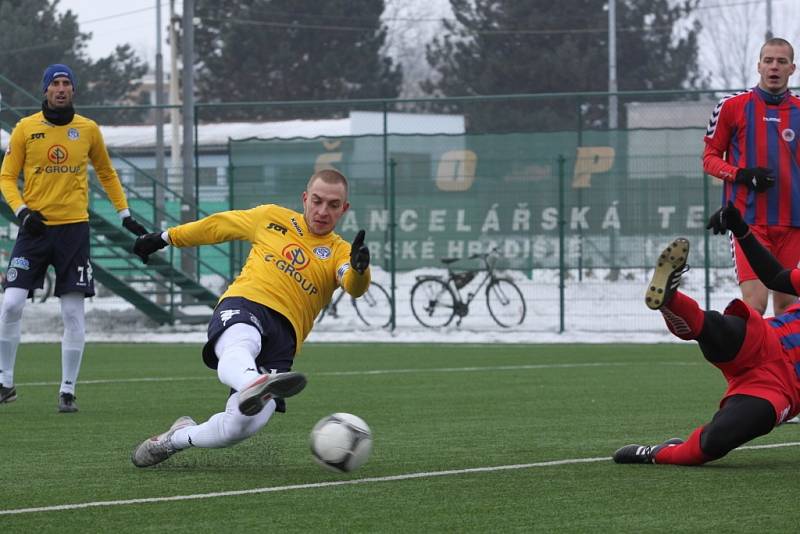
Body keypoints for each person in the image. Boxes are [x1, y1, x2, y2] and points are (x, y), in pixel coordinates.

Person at [129, 168, 371, 468]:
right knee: (241, 342)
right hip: (246, 304)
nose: (323, 211)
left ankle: (175, 438)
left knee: (237, 428)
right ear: (305, 198)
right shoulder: (271, 217)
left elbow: (352, 284)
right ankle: (253, 382)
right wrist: (165, 237)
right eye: (317, 201)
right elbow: (217, 226)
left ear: (344, 209)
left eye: (333, 205)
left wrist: (360, 271)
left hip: (284, 340)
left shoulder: (341, 252)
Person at [0, 64, 147, 412]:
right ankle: (5, 381)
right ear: (45, 91)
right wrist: (23, 213)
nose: (61, 89)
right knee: (10, 304)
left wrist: (124, 214)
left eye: (67, 83)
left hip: (73, 232)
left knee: (72, 313)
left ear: (74, 91)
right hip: (34, 231)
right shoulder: (25, 129)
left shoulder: (88, 130)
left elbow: (108, 173)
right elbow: (6, 178)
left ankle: (67, 390)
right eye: (55, 84)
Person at [613, 204, 800, 465]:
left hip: (779, 389)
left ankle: (656, 453)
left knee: (713, 442)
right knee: (721, 330)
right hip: (766, 341)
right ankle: (670, 300)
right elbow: (775, 276)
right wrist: (742, 229)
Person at [702, 37, 800, 317]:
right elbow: (709, 159)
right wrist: (742, 175)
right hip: (749, 223)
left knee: (788, 308)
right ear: (758, 65)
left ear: (792, 68)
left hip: (793, 224)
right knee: (755, 305)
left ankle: (784, 363)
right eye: (768, 60)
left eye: (781, 61)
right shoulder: (732, 106)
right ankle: (751, 362)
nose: (774, 67)